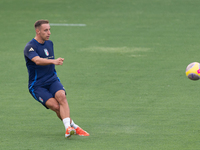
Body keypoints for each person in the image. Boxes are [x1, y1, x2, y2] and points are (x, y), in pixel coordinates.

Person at [24, 20, 89, 138]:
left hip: (52, 80)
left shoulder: (50, 43)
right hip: (37, 85)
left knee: (62, 97)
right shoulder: (30, 47)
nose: (49, 32)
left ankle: (68, 129)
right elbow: (37, 60)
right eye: (45, 30)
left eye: (49, 29)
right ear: (38, 31)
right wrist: (53, 61)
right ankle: (74, 126)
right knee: (55, 106)